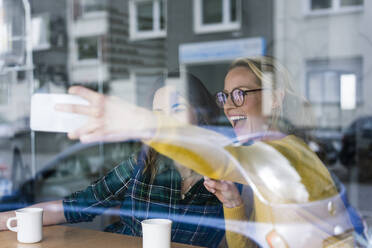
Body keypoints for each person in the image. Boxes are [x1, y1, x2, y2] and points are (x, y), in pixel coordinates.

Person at [51, 56, 354, 247]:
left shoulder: (287, 154)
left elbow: (221, 158)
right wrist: (234, 203)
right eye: (226, 96)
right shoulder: (253, 161)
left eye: (241, 94)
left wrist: (139, 122)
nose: (230, 106)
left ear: (275, 99)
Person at [0, 72, 226, 248]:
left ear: (201, 113)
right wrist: (5, 220)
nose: (164, 122)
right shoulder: (144, 162)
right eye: (157, 114)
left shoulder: (230, 174)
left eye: (177, 108)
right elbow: (79, 205)